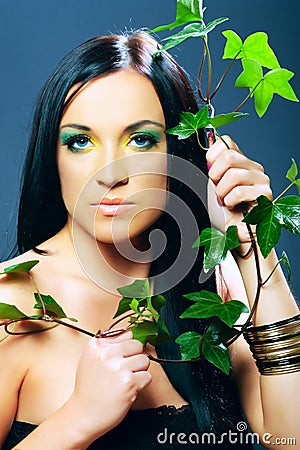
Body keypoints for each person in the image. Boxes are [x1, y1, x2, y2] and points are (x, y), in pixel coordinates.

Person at [0, 31, 298, 450]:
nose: (110, 173)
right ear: (54, 156)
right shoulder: (11, 300)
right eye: (80, 141)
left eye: (140, 140)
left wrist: (252, 243)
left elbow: (291, 438)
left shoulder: (214, 284)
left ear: (178, 156)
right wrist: (77, 419)